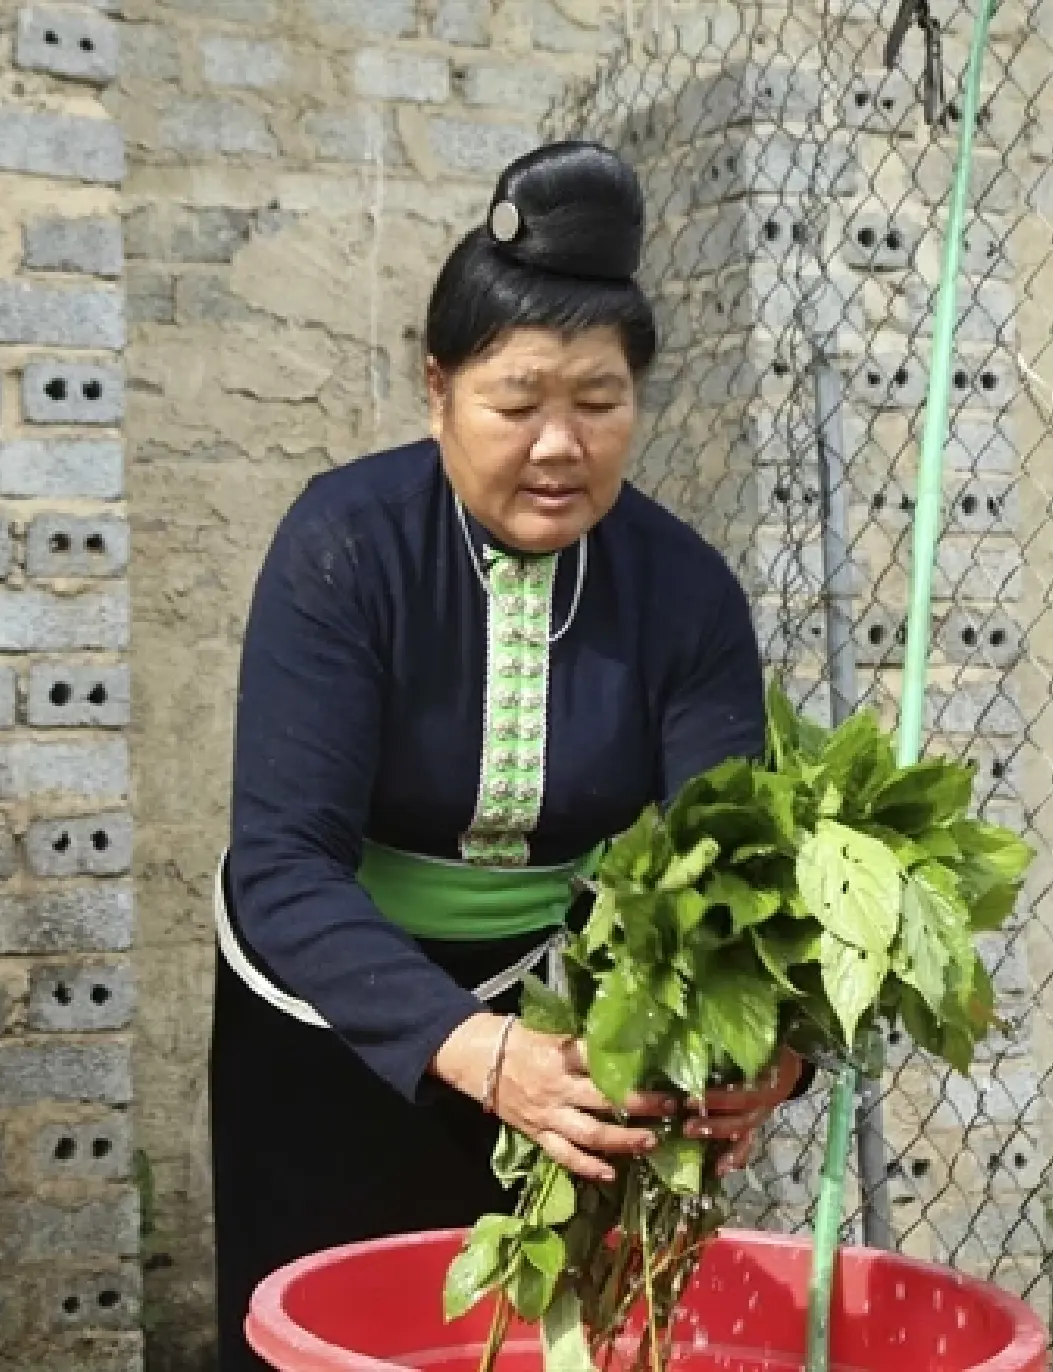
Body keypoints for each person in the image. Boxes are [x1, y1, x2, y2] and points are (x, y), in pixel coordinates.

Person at [208, 139, 806, 1370]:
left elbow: (730, 870)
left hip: (560, 1021)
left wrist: (767, 1054)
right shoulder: (345, 548)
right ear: (436, 391)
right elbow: (282, 867)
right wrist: (480, 1054)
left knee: (538, 1338)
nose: (558, 444)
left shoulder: (684, 593)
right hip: (326, 1017)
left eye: (598, 402)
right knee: (327, 1334)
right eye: (516, 403)